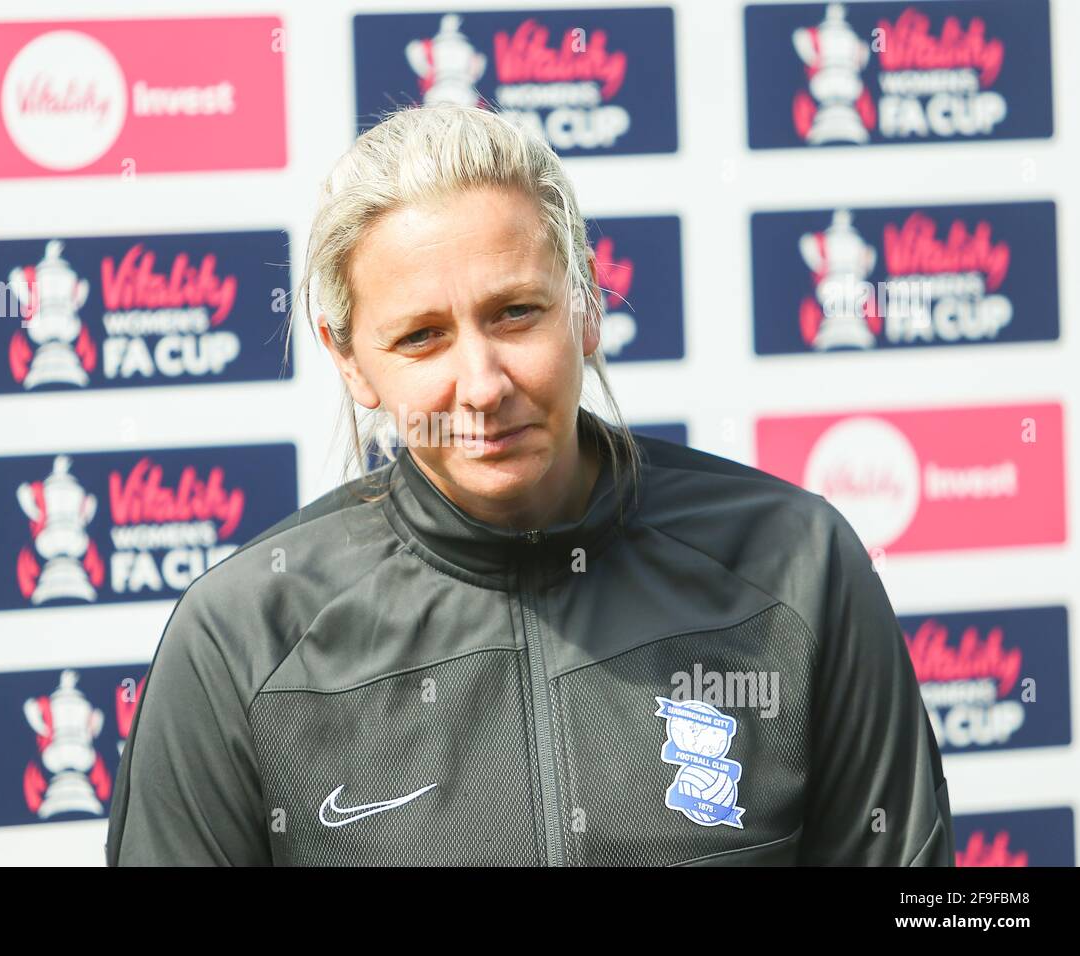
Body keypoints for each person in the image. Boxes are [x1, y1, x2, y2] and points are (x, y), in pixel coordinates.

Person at [105, 103, 953, 866]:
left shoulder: (796, 564)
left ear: (583, 303)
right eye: (421, 337)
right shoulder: (243, 639)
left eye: (516, 312)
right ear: (349, 359)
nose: (481, 383)